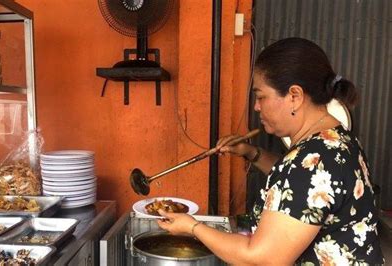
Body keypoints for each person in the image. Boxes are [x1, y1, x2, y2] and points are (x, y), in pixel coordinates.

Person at [157, 37, 384, 265]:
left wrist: (193, 227)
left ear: (294, 96)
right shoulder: (336, 140)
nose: (257, 106)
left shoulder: (312, 162)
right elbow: (299, 186)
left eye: (261, 96)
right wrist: (250, 152)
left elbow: (262, 259)